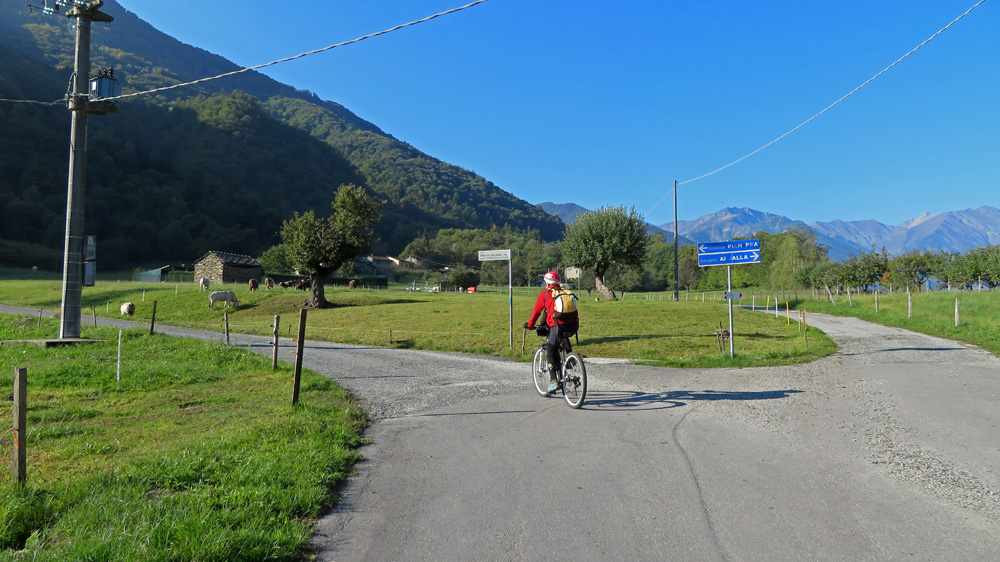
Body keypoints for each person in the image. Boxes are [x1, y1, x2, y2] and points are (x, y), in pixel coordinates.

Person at [524, 271, 579, 394]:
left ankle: (554, 381)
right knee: (561, 339)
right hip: (574, 325)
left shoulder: (546, 294)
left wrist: (530, 325)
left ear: (547, 283)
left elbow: (537, 311)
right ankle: (570, 359)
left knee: (550, 350)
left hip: (556, 327)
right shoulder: (565, 293)